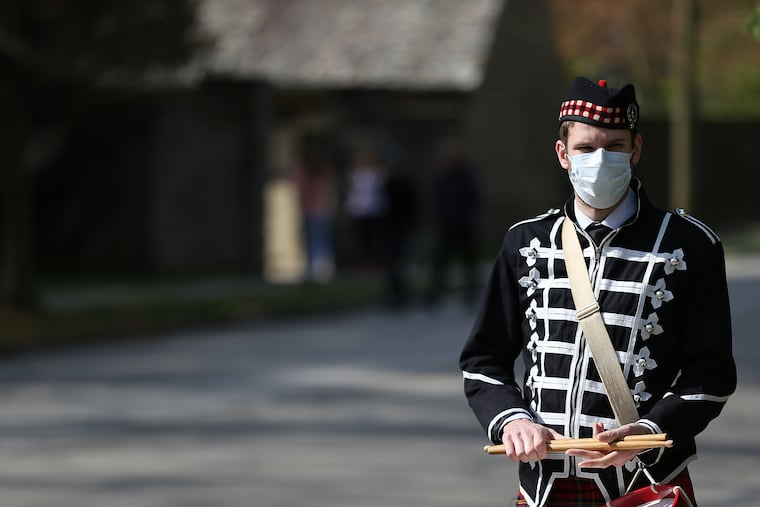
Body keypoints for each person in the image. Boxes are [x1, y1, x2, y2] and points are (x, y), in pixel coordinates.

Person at [459, 77, 736, 506]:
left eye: (615, 146)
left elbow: (712, 373)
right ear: (563, 154)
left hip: (646, 484)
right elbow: (484, 359)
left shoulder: (690, 245)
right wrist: (512, 421)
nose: (600, 159)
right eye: (587, 148)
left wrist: (649, 431)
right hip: (544, 486)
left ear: (636, 149)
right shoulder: (525, 242)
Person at [426, 147, 481, 306]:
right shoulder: (441, 177)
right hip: (446, 225)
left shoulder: (466, 177)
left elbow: (474, 199)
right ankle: (435, 292)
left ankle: (471, 291)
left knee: (468, 261)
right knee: (440, 261)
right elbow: (436, 201)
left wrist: (469, 217)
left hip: (464, 224)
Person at [292, 139, 336, 283]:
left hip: (316, 210)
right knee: (316, 242)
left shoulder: (317, 171)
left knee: (316, 242)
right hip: (315, 210)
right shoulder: (312, 171)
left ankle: (317, 271)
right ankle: (316, 270)